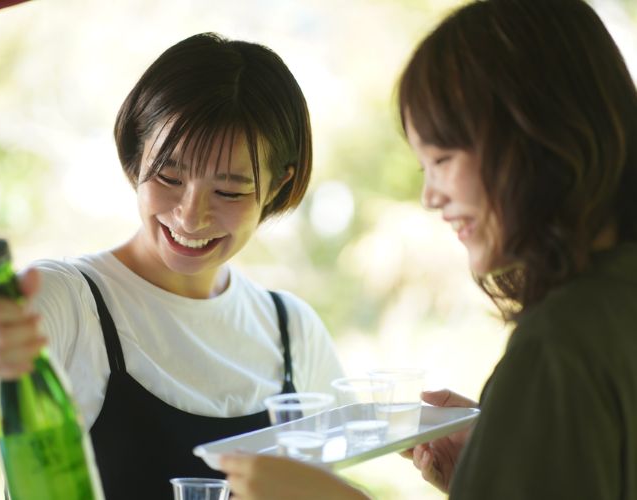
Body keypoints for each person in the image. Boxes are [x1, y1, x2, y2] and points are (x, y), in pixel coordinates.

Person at [220, 0, 637, 498]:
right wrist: (493, 466)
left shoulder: (560, 345)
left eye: (442, 159)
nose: (431, 197)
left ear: (534, 137)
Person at [0, 32, 345, 499]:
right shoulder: (69, 301)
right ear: (136, 155)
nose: (191, 215)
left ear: (278, 184)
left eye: (229, 191)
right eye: (168, 176)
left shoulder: (292, 331)